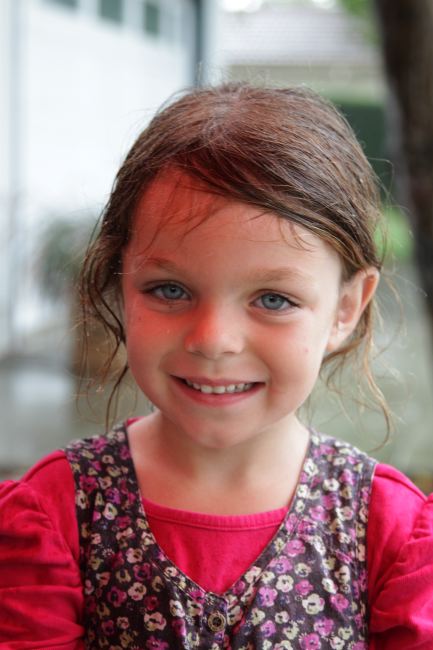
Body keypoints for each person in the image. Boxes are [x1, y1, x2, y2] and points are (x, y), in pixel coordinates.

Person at [1, 83, 432, 650]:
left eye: (273, 299)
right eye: (170, 289)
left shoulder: (388, 531)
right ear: (121, 281)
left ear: (346, 307)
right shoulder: (55, 515)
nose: (212, 340)